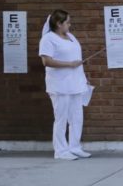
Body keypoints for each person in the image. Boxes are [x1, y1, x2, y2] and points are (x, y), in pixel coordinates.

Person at [39, 9, 92, 160]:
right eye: (67, 22)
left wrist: (83, 77)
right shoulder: (48, 39)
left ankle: (75, 147)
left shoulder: (71, 37)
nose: (70, 24)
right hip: (60, 85)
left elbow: (77, 58)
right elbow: (46, 61)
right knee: (61, 118)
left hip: (76, 83)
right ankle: (61, 151)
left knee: (77, 117)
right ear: (58, 23)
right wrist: (70, 64)